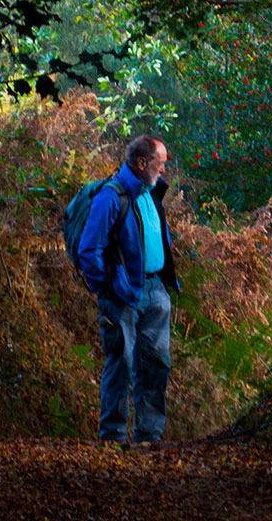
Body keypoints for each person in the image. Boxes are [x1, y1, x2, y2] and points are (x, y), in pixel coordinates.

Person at [78, 135, 179, 445]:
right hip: (122, 296)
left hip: (155, 291)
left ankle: (149, 436)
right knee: (121, 362)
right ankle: (114, 437)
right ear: (141, 163)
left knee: (156, 364)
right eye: (159, 165)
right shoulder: (112, 196)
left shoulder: (151, 193)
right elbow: (88, 250)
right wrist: (107, 290)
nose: (163, 171)